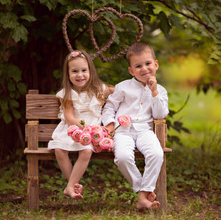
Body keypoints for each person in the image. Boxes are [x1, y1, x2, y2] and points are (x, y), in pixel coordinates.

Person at [101, 43, 169, 210]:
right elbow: (109, 107)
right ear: (131, 70)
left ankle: (143, 194)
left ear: (156, 65)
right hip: (123, 132)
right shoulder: (123, 87)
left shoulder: (161, 91)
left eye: (148, 64)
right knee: (122, 157)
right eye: (138, 66)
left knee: (156, 153)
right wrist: (110, 125)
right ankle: (143, 192)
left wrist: (154, 92)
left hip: (145, 131)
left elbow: (160, 115)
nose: (144, 69)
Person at [48, 50, 113, 199]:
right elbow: (69, 117)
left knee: (86, 151)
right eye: (75, 71)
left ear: (90, 71)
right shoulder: (67, 93)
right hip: (72, 129)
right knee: (59, 150)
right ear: (68, 74)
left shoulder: (99, 90)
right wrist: (83, 126)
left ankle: (70, 187)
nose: (80, 75)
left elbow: (120, 91)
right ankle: (72, 185)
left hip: (91, 132)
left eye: (84, 70)